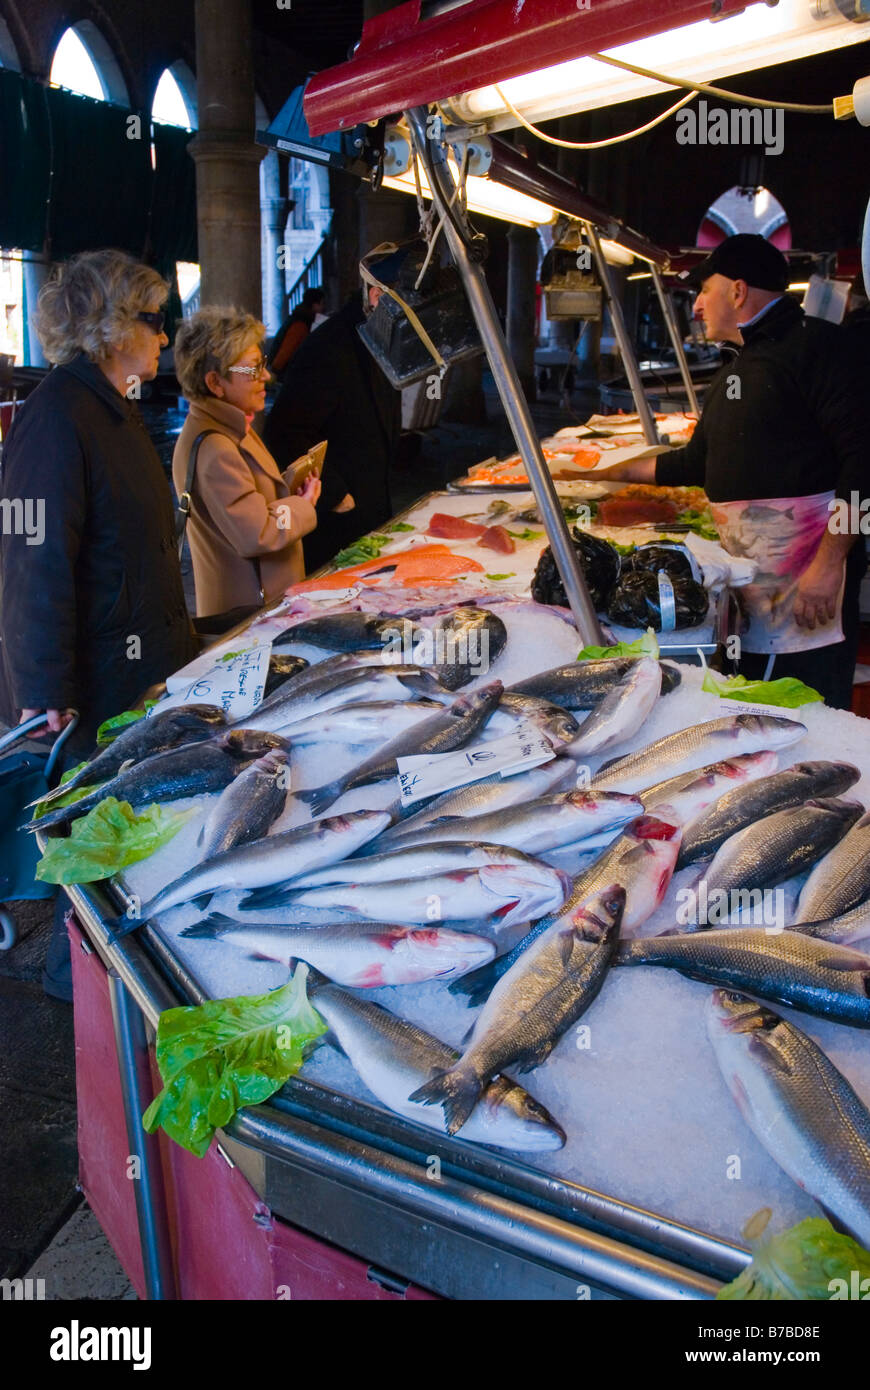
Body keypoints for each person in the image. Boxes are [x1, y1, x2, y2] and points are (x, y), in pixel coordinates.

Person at [0, 249, 197, 999]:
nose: (163, 336)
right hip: (95, 679)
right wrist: (43, 684)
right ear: (112, 327)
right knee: (96, 844)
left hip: (138, 659)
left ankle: (106, 981)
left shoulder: (110, 403)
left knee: (122, 830)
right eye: (154, 320)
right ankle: (78, 991)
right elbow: (29, 555)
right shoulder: (58, 414)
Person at [599, 234, 866, 709]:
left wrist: (829, 566)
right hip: (752, 582)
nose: (697, 306)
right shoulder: (736, 369)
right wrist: (600, 471)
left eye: (704, 291)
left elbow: (864, 458)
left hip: (808, 580)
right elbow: (694, 463)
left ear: (738, 291)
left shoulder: (817, 347)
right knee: (760, 703)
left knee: (810, 708)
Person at [172, 306, 320, 618]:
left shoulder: (229, 425)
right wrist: (303, 504)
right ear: (215, 383)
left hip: (258, 607)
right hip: (248, 616)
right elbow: (259, 532)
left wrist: (286, 486)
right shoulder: (217, 447)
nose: (265, 375)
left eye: (262, 363)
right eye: (252, 369)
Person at [264, 283, 399, 574]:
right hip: (338, 523)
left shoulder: (372, 336)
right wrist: (336, 496)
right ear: (377, 295)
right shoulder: (329, 346)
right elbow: (285, 431)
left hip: (370, 503)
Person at [267, 288, 326, 379]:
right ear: (314, 305)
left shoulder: (300, 318)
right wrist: (275, 371)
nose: (323, 307)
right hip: (284, 374)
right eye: (322, 304)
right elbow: (286, 350)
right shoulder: (300, 324)